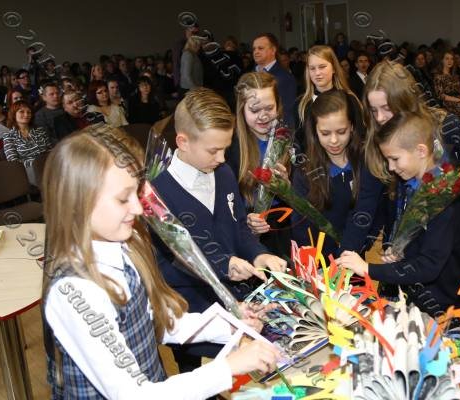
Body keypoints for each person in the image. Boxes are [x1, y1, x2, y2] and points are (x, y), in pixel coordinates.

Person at [41, 125, 281, 399]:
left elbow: (156, 322)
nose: (138, 208)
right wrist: (227, 368)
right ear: (78, 203)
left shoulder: (123, 247)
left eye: (137, 194)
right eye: (123, 199)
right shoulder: (76, 292)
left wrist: (229, 325)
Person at [342, 61, 460, 282]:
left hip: (452, 256)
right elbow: (366, 208)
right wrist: (344, 258)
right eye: (373, 110)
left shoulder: (446, 127)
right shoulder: (375, 142)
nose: (380, 118)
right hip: (403, 256)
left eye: (387, 108)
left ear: (405, 100)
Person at [151, 87, 287, 373]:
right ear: (183, 142)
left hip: (240, 306)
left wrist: (258, 254)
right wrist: (222, 265)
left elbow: (239, 228)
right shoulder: (157, 192)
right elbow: (164, 268)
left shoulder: (222, 173)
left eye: (226, 148)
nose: (223, 158)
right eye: (214, 150)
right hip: (193, 317)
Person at [336, 111, 460, 316]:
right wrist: (402, 252)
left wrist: (369, 269)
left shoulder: (443, 196)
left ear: (421, 151)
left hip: (443, 304)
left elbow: (430, 265)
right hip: (415, 295)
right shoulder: (411, 183)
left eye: (394, 159)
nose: (390, 167)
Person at [291, 90, 365, 257]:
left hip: (355, 258)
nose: (334, 140)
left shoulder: (364, 163)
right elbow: (300, 226)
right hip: (320, 262)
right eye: (325, 133)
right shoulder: (305, 172)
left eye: (341, 132)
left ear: (352, 127)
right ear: (314, 131)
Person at [226, 72, 291, 257]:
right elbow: (225, 199)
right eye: (254, 111)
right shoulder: (230, 147)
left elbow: (306, 197)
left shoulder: (288, 139)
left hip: (284, 231)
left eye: (269, 108)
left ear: (278, 105)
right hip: (247, 234)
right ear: (242, 109)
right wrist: (245, 219)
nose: (263, 116)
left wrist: (288, 189)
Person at [295, 45, 365, 152]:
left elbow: (359, 135)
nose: (317, 73)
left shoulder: (349, 100)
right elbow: (300, 141)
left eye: (322, 67)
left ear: (334, 68)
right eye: (312, 68)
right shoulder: (302, 104)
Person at [3, 100, 52, 184]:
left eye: (29, 112)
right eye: (21, 112)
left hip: (47, 165)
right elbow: (13, 161)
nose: (26, 115)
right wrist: (36, 163)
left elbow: (49, 150)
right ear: (14, 114)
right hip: (27, 170)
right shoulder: (8, 136)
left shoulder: (40, 130)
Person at [252, 33, 297, 126]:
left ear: (273, 50)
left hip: (275, 130)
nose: (256, 52)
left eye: (260, 48)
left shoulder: (285, 77)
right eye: (254, 49)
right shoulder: (249, 74)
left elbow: (287, 112)